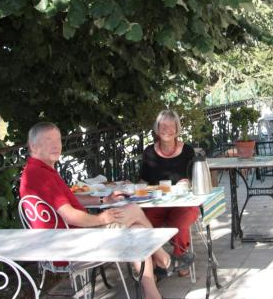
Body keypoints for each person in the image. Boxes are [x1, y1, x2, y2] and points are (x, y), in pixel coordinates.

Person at [20, 122, 173, 299]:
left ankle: (153, 294)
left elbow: (69, 199)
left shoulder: (39, 170)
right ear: (33, 146)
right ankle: (161, 255)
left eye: (58, 140)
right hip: (71, 245)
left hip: (66, 239)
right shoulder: (40, 174)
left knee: (137, 232)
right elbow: (70, 215)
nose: (56, 145)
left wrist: (103, 200)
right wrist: (103, 218)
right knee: (133, 208)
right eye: (48, 140)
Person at [140, 110, 199, 277]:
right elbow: (144, 181)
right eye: (163, 125)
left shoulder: (187, 151)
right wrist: (134, 187)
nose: (167, 129)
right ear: (157, 129)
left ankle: (180, 258)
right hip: (157, 203)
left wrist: (187, 182)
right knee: (145, 224)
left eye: (171, 125)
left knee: (180, 224)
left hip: (183, 202)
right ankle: (152, 265)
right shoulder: (149, 152)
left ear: (177, 128)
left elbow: (195, 179)